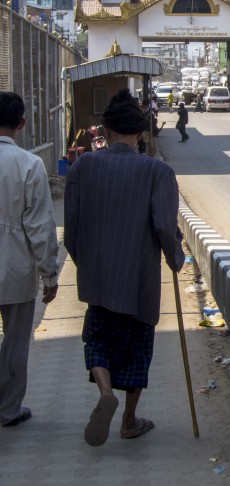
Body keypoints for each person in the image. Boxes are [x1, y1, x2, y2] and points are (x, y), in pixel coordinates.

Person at [64, 89, 184, 446]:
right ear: (139, 133)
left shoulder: (83, 166)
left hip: (98, 276)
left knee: (97, 338)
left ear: (105, 129)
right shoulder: (157, 171)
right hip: (139, 279)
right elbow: (164, 226)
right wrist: (174, 258)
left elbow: (71, 228)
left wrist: (85, 262)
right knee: (136, 348)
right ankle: (129, 420)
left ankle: (105, 392)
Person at [0, 92, 59, 428]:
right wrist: (49, 275)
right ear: (21, 124)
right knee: (16, 343)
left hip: (15, 269)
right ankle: (8, 410)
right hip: (15, 270)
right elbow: (39, 227)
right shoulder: (29, 164)